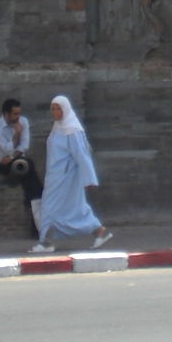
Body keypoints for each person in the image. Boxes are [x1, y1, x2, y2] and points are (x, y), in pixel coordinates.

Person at [30, 95, 112, 253]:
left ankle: (46, 242)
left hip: (66, 177)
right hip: (55, 177)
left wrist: (89, 178)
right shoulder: (58, 127)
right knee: (74, 208)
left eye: (58, 108)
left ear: (65, 109)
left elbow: (81, 154)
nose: (55, 112)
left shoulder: (72, 130)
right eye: (52, 109)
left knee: (49, 207)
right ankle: (99, 231)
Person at [0, 97, 44, 236]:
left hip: (17, 160)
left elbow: (24, 145)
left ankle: (36, 222)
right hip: (3, 165)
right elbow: (7, 150)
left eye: (19, 113)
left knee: (29, 177)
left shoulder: (24, 122)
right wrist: (17, 134)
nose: (18, 117)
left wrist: (12, 157)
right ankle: (37, 224)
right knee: (30, 169)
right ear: (6, 114)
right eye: (15, 114)